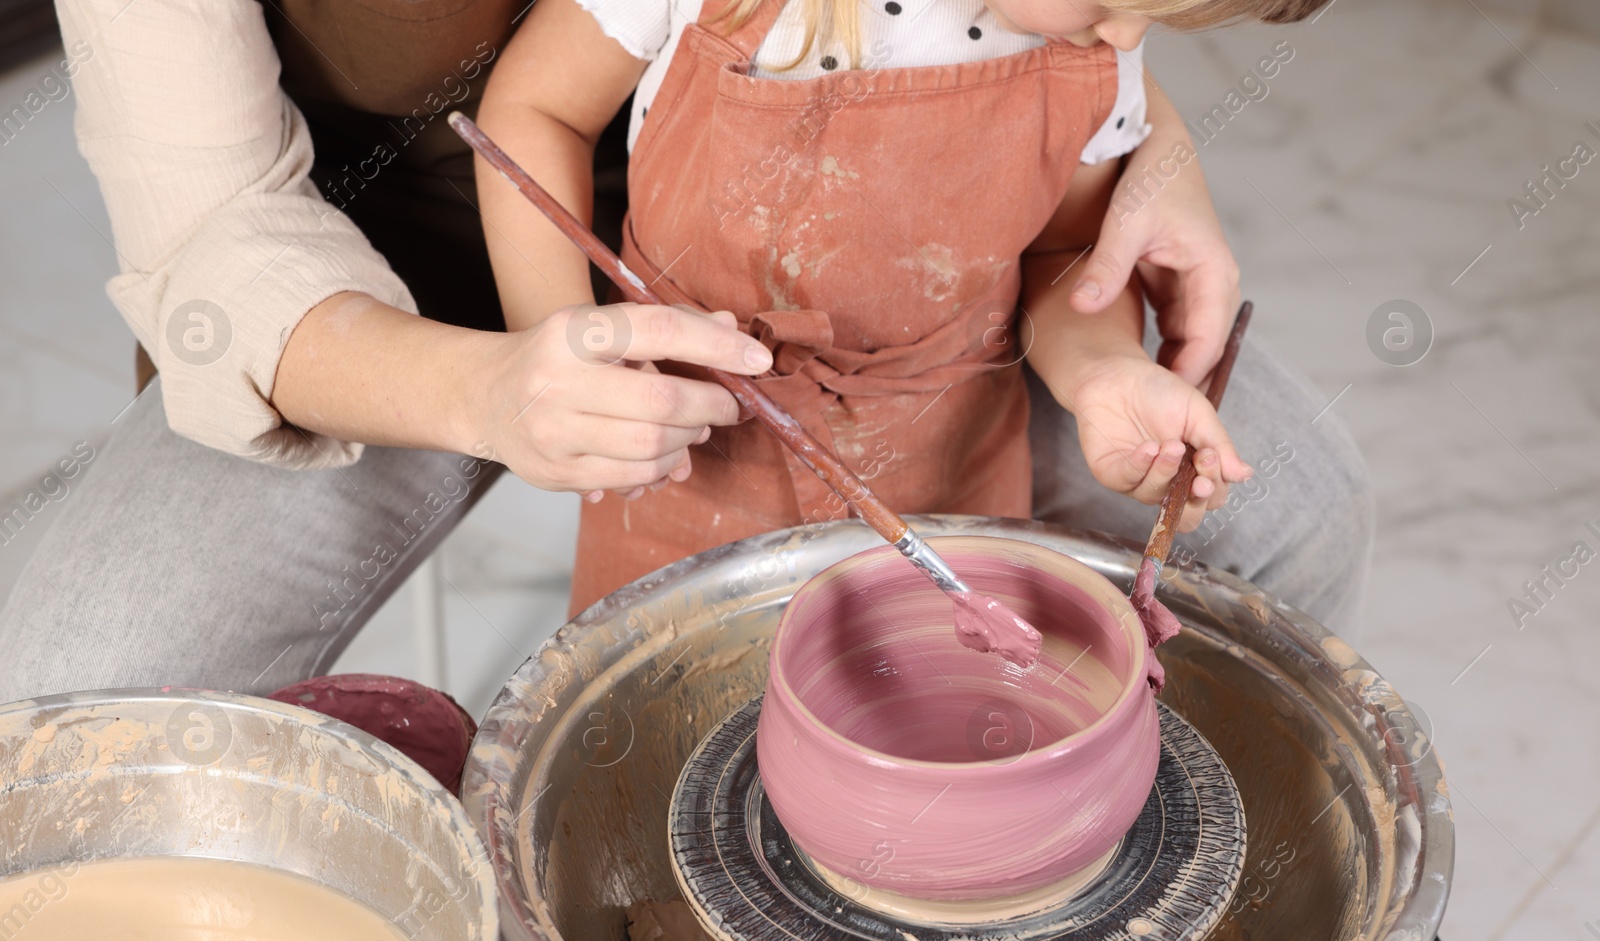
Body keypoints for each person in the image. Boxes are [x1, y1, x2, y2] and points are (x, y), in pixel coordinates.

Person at [0, 0, 1367, 705]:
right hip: (385, 262)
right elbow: (211, 236)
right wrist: (510, 378)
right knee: (66, 688)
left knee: (1286, 515)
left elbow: (1057, 74)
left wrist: (1148, 149)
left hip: (871, 279)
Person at [471, 0, 1371, 616]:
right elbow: (536, 111)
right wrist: (561, 343)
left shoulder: (1088, 43)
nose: (1129, 30)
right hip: (690, 464)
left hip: (952, 466)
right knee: (676, 765)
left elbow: (1062, 250)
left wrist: (1104, 370)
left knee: (919, 767)